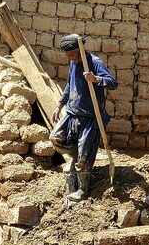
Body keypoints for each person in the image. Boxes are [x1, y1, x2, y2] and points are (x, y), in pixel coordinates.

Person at [50, 34, 118, 201]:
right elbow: (69, 85)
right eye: (68, 56)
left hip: (90, 116)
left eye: (72, 55)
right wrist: (60, 105)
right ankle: (76, 156)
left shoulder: (94, 63)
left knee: (84, 157)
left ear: (79, 51)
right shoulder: (73, 63)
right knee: (55, 138)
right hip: (72, 114)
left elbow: (113, 83)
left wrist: (96, 79)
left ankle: (83, 190)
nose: (70, 58)